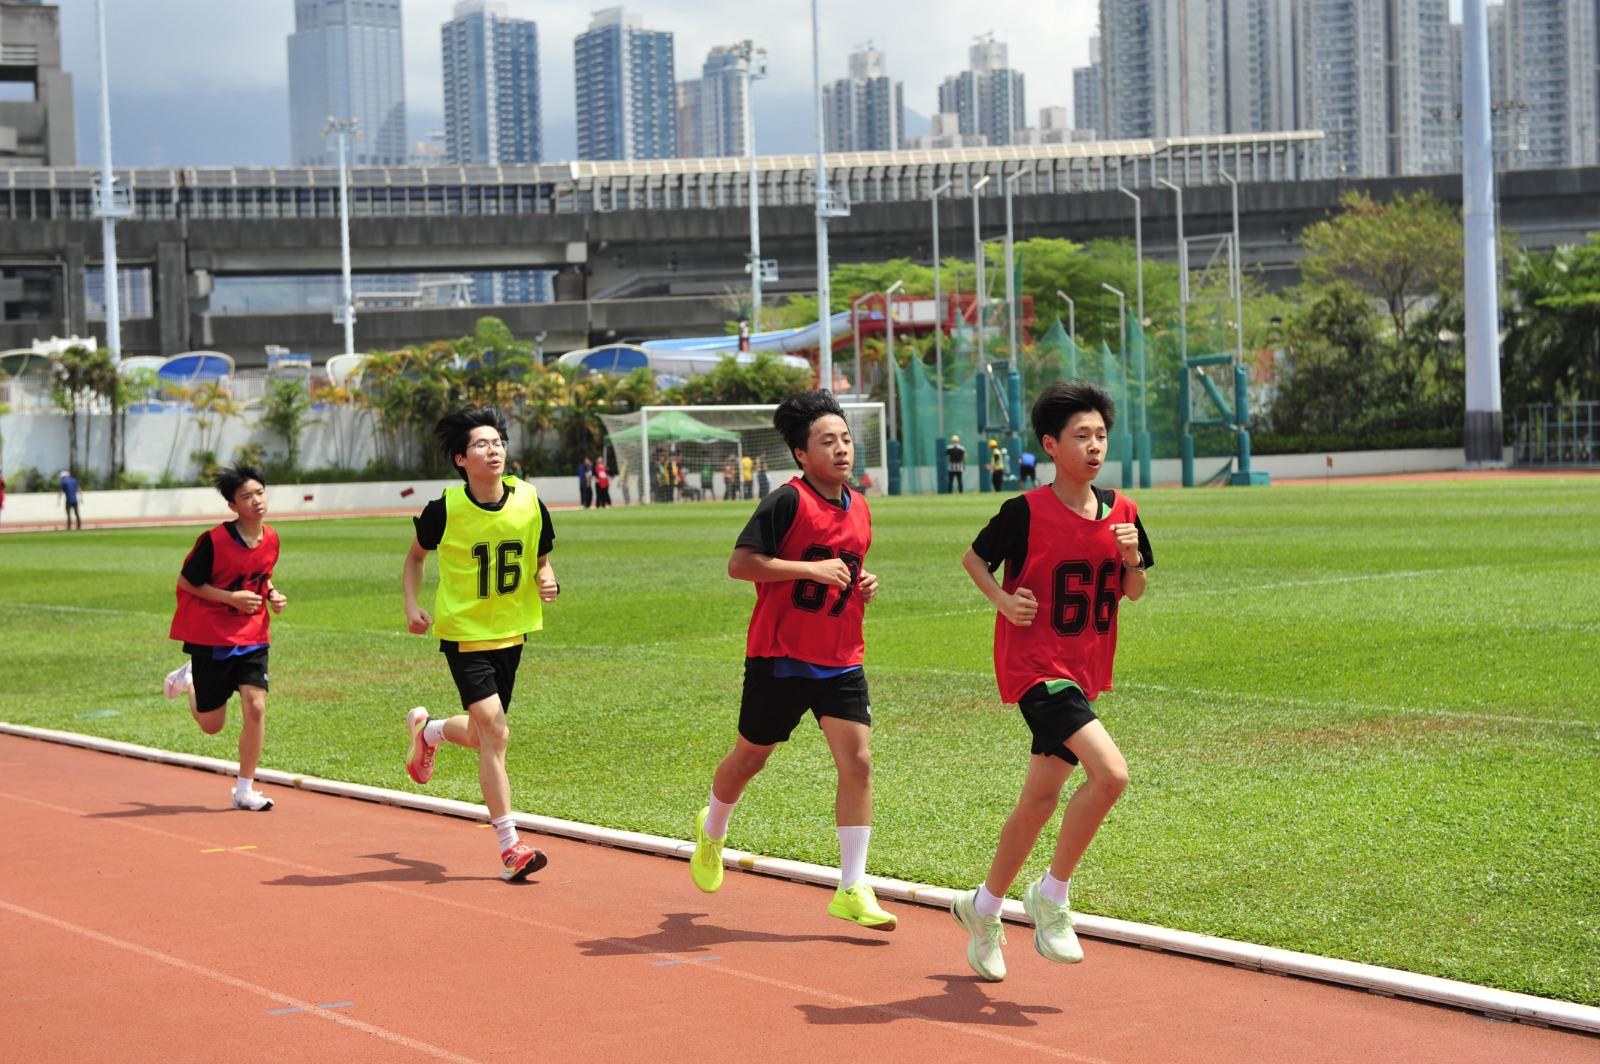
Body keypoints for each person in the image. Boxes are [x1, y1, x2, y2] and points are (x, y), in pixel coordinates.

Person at [951, 381, 1153, 982]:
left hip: (1083, 671)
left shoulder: (1123, 512)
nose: (1094, 446)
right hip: (1037, 670)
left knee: (1038, 801)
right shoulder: (1024, 511)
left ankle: (983, 907)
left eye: (1101, 436)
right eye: (1080, 435)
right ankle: (1052, 894)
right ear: (1050, 445)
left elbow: (1135, 591)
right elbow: (973, 559)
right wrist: (1002, 599)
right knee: (1111, 774)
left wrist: (1131, 559)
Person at [689, 390, 896, 931]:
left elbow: (845, 568)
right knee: (751, 757)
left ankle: (852, 886)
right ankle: (712, 830)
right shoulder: (786, 501)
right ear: (802, 454)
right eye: (827, 441)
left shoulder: (860, 506)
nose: (842, 448)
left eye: (846, 439)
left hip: (841, 658)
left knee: (858, 763)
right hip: (780, 657)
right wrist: (809, 570)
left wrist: (862, 584)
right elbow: (741, 565)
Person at [401, 407, 560, 882]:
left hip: (512, 631)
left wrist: (547, 578)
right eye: (481, 444)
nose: (494, 450)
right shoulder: (445, 509)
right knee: (497, 732)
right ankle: (511, 846)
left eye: (498, 442)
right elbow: (415, 558)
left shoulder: (529, 500)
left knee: (480, 734)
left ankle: (428, 731)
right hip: (465, 634)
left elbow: (542, 558)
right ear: (461, 459)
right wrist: (412, 605)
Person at [162, 465, 286, 812]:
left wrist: (272, 594)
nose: (256, 500)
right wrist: (231, 598)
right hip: (212, 637)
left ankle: (244, 789)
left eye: (260, 492)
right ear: (233, 506)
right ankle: (189, 680)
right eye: (246, 497)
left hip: (253, 634)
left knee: (256, 706)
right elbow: (187, 582)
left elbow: (261, 576)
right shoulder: (214, 541)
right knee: (211, 726)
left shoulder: (272, 538)